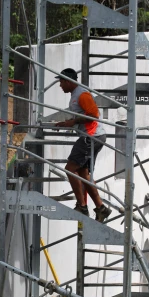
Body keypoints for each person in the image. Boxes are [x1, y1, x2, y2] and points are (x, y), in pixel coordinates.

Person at [54, 68, 112, 222]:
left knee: (70, 169)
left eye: (61, 82)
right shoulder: (76, 94)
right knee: (84, 174)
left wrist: (73, 122)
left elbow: (94, 114)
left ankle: (82, 206)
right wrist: (67, 123)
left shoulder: (82, 94)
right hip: (94, 136)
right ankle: (101, 208)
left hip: (90, 137)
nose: (60, 86)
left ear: (68, 81)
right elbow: (83, 116)